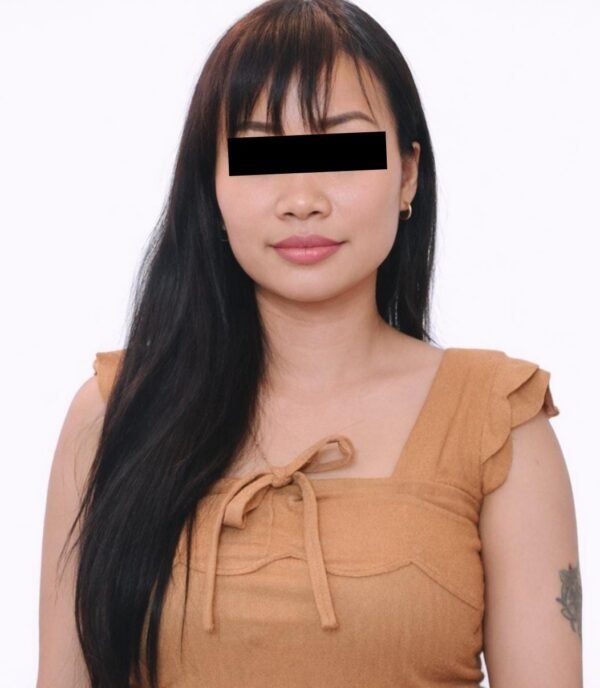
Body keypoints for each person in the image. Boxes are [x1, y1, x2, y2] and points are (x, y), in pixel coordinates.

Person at [37, 0, 583, 686]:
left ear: (407, 174)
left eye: (341, 151)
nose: (302, 198)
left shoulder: (499, 422)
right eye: (261, 155)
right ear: (212, 185)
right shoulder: (111, 413)